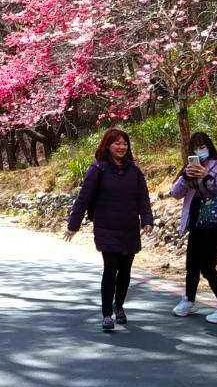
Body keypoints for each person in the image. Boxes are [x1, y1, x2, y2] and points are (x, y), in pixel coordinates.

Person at [64, 128, 154, 331]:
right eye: (117, 143)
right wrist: (73, 225)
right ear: (107, 145)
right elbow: (83, 199)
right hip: (106, 227)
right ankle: (106, 314)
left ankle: (119, 306)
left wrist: (147, 220)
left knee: (126, 271)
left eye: (124, 143)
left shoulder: (134, 170)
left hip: (129, 227)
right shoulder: (98, 169)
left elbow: (143, 198)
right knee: (110, 269)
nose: (121, 147)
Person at [167, 131, 217, 324]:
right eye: (195, 148)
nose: (199, 151)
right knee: (191, 266)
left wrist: (207, 177)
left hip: (215, 225)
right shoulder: (188, 169)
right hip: (196, 224)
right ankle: (189, 300)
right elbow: (175, 193)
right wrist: (185, 175)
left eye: (202, 147)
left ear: (209, 147)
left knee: (207, 267)